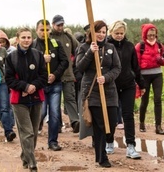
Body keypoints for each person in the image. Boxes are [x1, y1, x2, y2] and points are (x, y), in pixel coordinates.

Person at [76, 20, 121, 168]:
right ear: (92, 32)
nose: (101, 35)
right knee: (100, 125)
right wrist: (90, 52)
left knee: (112, 124)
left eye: (104, 32)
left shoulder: (110, 47)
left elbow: (117, 68)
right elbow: (80, 67)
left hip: (109, 92)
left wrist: (106, 78)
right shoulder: (84, 47)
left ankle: (101, 150)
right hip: (92, 92)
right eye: (98, 31)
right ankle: (102, 157)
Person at [5, 27, 47, 172]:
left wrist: (33, 87)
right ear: (17, 39)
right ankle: (32, 163)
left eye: (29, 37)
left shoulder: (38, 55)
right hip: (19, 100)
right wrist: (24, 87)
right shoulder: (11, 57)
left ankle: (25, 157)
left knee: (34, 133)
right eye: (23, 37)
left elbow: (44, 76)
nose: (26, 40)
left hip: (36, 98)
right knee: (27, 132)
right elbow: (9, 79)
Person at [106, 20, 143, 159]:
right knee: (112, 115)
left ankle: (131, 146)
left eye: (122, 33)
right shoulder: (107, 46)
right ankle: (109, 141)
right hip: (112, 85)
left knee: (128, 115)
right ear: (111, 32)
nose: (120, 35)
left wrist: (141, 84)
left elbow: (136, 66)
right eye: (117, 33)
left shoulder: (129, 46)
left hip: (128, 84)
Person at [33, 20, 69, 151]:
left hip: (55, 84)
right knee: (40, 112)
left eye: (47, 30)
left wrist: (55, 74)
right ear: (37, 30)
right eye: (42, 30)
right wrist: (42, 59)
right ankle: (31, 136)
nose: (44, 32)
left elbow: (65, 61)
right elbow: (29, 65)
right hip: (40, 85)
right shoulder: (33, 46)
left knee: (54, 113)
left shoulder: (55, 43)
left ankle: (53, 141)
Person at [135, 23, 164, 135]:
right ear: (145, 35)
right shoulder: (140, 46)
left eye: (154, 35)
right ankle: (142, 123)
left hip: (157, 74)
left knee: (158, 99)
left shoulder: (159, 45)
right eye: (150, 35)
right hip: (144, 76)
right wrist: (138, 78)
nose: (152, 37)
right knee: (145, 100)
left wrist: (161, 60)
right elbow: (136, 63)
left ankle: (158, 126)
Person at [50, 15, 80, 133]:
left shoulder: (68, 37)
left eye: (62, 24)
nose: (60, 27)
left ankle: (75, 122)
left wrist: (75, 64)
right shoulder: (50, 37)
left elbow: (78, 50)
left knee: (70, 98)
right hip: (54, 75)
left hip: (68, 74)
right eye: (58, 25)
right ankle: (56, 124)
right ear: (53, 25)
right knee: (55, 102)